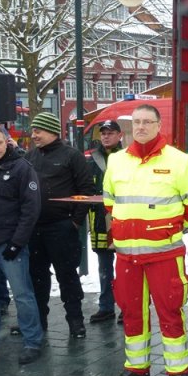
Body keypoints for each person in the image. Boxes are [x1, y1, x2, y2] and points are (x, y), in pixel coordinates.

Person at [103, 104, 188, 376]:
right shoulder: (117, 161)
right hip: (127, 257)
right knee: (132, 312)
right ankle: (137, 368)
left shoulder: (179, 161)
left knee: (170, 312)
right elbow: (110, 202)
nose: (141, 127)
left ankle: (178, 369)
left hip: (164, 255)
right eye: (137, 122)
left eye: (148, 121)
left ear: (160, 126)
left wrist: (170, 228)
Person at [25, 112, 94, 338]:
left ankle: (75, 321)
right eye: (33, 130)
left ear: (52, 131)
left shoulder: (72, 156)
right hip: (34, 229)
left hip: (61, 228)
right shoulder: (29, 157)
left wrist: (74, 222)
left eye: (38, 131)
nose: (33, 135)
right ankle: (40, 321)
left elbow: (86, 191)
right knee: (37, 276)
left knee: (67, 276)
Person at [0, 125, 43, 365]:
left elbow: (30, 210)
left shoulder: (22, 168)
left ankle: (32, 342)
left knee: (22, 295)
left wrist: (16, 243)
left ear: (7, 142)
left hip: (10, 245)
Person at [87, 120, 124, 324]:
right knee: (104, 267)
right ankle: (106, 307)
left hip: (123, 217)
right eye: (103, 133)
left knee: (126, 267)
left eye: (110, 133)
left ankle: (127, 307)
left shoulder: (128, 158)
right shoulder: (92, 158)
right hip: (100, 218)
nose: (106, 136)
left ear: (120, 135)